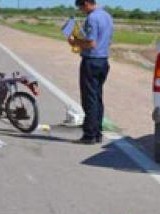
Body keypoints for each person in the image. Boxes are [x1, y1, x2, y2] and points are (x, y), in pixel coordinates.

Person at [67, 0, 113, 144]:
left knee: (89, 99)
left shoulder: (92, 18)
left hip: (91, 61)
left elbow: (91, 43)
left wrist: (75, 42)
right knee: (97, 97)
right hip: (103, 60)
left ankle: (89, 135)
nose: (81, 10)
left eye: (81, 6)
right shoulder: (107, 16)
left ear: (87, 3)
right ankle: (97, 132)